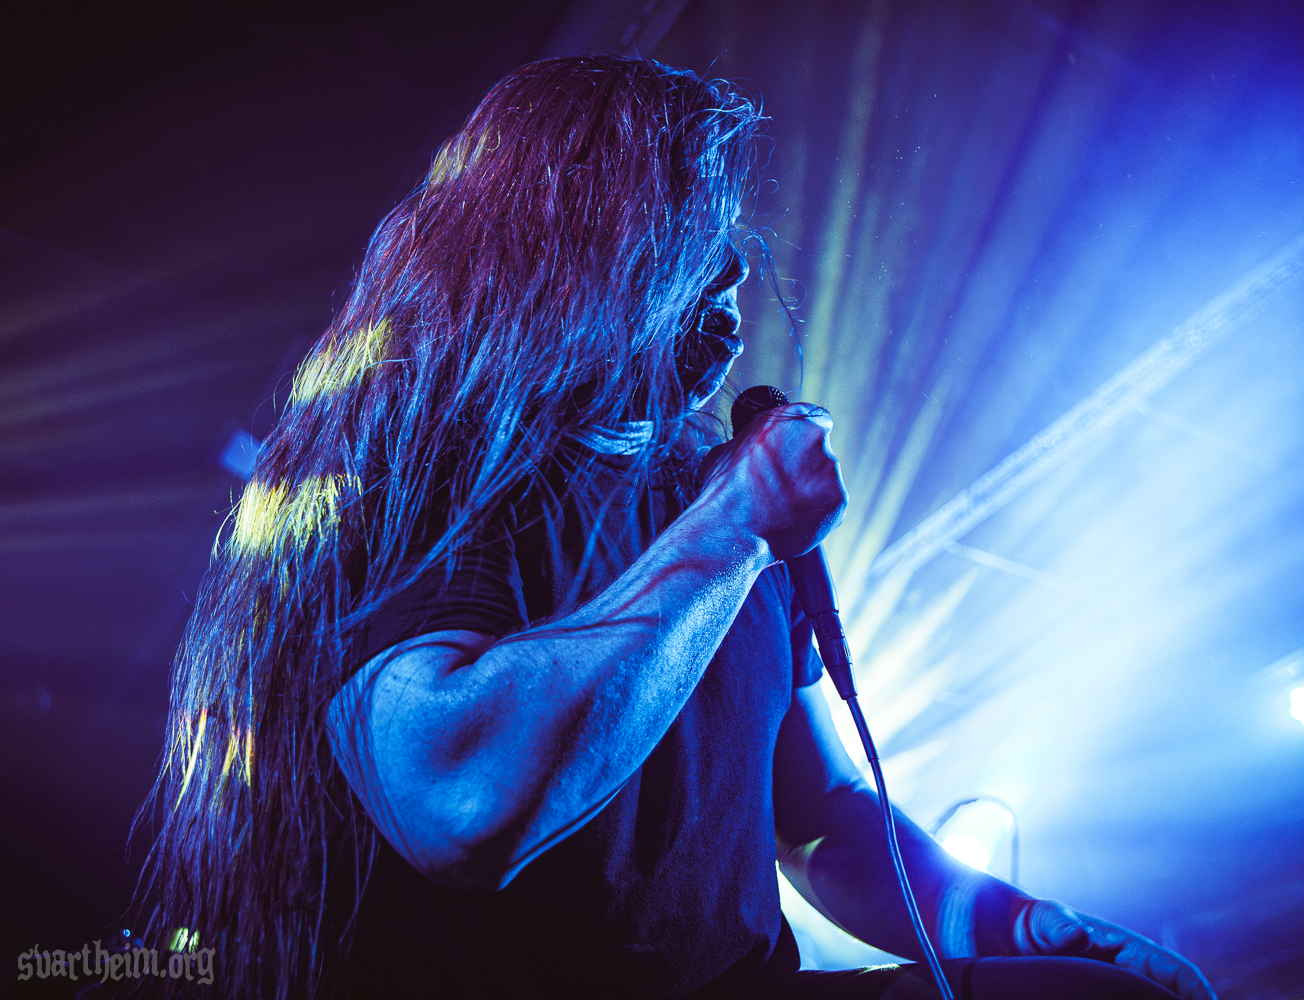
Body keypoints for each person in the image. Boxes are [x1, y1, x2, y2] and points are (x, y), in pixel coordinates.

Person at [138, 55, 1215, 1000]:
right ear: (576, 237)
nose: (736, 264)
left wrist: (1015, 923)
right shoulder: (423, 464)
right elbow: (457, 800)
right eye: (692, 224)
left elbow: (823, 818)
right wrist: (738, 527)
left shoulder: (719, 494)